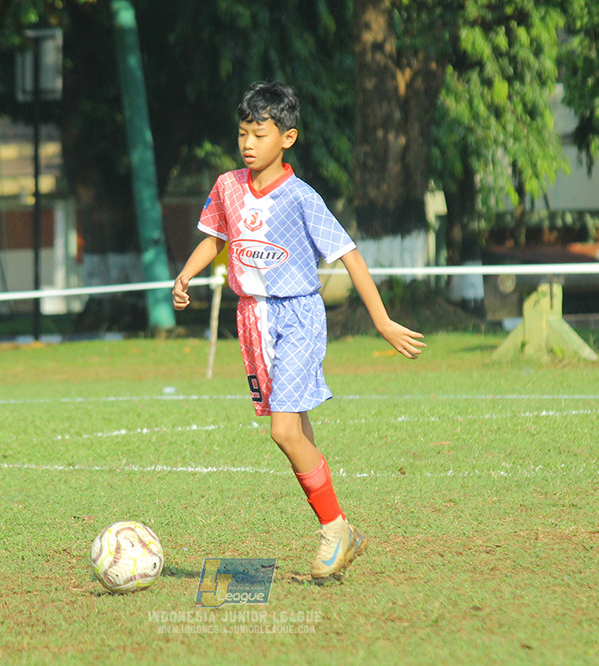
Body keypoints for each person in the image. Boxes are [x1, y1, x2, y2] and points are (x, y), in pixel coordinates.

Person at [172, 81, 426, 581]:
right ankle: (342, 529)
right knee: (297, 431)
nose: (248, 144)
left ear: (287, 138)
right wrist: (185, 275)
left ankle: (334, 528)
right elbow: (215, 237)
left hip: (297, 316)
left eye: (259, 134)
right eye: (242, 133)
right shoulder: (227, 186)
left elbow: (349, 255)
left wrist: (381, 320)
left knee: (284, 430)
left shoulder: (302, 198)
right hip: (252, 320)